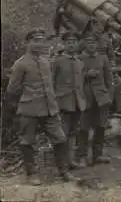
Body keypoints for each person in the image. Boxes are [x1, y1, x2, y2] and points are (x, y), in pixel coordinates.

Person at [5, 29, 75, 184]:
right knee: (27, 142)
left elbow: (50, 85)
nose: (39, 43)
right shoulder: (21, 64)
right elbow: (12, 90)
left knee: (60, 139)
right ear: (27, 43)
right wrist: (24, 102)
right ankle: (31, 174)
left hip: (50, 109)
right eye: (36, 40)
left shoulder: (46, 61)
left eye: (42, 40)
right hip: (29, 110)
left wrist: (54, 106)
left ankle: (63, 171)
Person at [52, 31, 86, 169]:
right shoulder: (58, 61)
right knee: (62, 134)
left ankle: (70, 161)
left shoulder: (79, 62)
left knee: (73, 133)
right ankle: (61, 164)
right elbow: (51, 82)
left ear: (77, 44)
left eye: (74, 42)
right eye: (68, 42)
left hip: (77, 103)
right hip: (63, 103)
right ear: (64, 44)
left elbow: (81, 83)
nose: (71, 45)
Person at [78, 33, 114, 166]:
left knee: (101, 126)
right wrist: (87, 75)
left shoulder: (103, 58)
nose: (92, 45)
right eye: (89, 43)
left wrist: (109, 96)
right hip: (86, 97)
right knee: (83, 128)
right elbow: (75, 79)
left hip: (101, 98)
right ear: (84, 45)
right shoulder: (79, 58)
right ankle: (82, 156)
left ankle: (97, 155)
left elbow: (109, 80)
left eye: (94, 43)